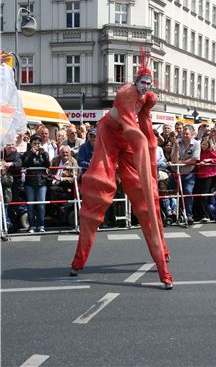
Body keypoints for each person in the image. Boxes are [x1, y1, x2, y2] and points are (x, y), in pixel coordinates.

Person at [70, 56, 173, 289]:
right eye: (143, 82)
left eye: (150, 82)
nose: (146, 86)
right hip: (109, 133)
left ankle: (162, 256)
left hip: (126, 138)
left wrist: (148, 153)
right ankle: (78, 261)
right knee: (100, 188)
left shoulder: (147, 97)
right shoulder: (127, 93)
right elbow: (134, 129)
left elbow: (143, 125)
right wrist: (144, 152)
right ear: (136, 81)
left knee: (147, 201)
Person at [171, 124, 200, 224]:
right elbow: (174, 160)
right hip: (176, 172)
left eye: (187, 134)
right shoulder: (177, 142)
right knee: (174, 193)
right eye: (183, 133)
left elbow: (194, 160)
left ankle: (189, 215)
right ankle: (174, 214)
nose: (184, 135)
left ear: (192, 134)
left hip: (189, 173)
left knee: (188, 192)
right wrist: (177, 148)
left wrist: (181, 162)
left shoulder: (196, 144)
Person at [22, 134, 50, 233]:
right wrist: (32, 154)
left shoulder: (44, 153)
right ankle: (32, 225)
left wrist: (43, 154)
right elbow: (25, 164)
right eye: (34, 143)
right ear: (30, 144)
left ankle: (41, 224)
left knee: (41, 204)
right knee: (30, 205)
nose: (37, 145)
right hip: (30, 182)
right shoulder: (27, 154)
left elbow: (47, 165)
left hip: (41, 181)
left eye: (38, 143)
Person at [194, 139, 216, 223]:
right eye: (203, 144)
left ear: (209, 146)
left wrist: (209, 160)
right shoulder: (199, 152)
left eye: (206, 145)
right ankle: (199, 215)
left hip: (208, 175)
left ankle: (206, 215)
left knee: (204, 196)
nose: (204, 146)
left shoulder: (210, 152)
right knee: (198, 195)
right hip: (199, 175)